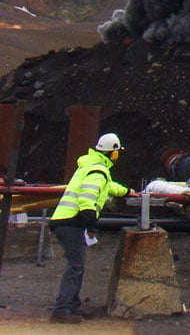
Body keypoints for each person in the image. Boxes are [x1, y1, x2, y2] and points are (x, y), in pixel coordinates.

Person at [48, 132, 134, 324]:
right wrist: (91, 225)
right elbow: (87, 198)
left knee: (77, 265)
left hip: (66, 221)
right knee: (75, 266)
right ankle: (62, 310)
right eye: (117, 152)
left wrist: (127, 191)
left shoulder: (93, 167)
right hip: (71, 222)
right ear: (111, 152)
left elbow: (109, 186)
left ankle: (72, 307)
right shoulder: (97, 171)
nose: (118, 155)